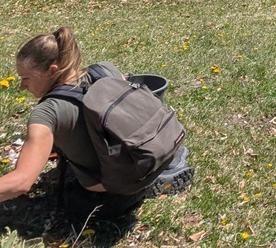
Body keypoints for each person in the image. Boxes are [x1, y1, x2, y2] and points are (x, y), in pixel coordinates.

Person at [0, 28, 190, 239]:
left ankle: (142, 188)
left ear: (52, 70)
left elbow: (21, 182)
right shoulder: (104, 70)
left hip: (104, 201)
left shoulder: (47, 112)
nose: (21, 86)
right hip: (139, 161)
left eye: (25, 78)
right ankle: (159, 169)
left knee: (69, 197)